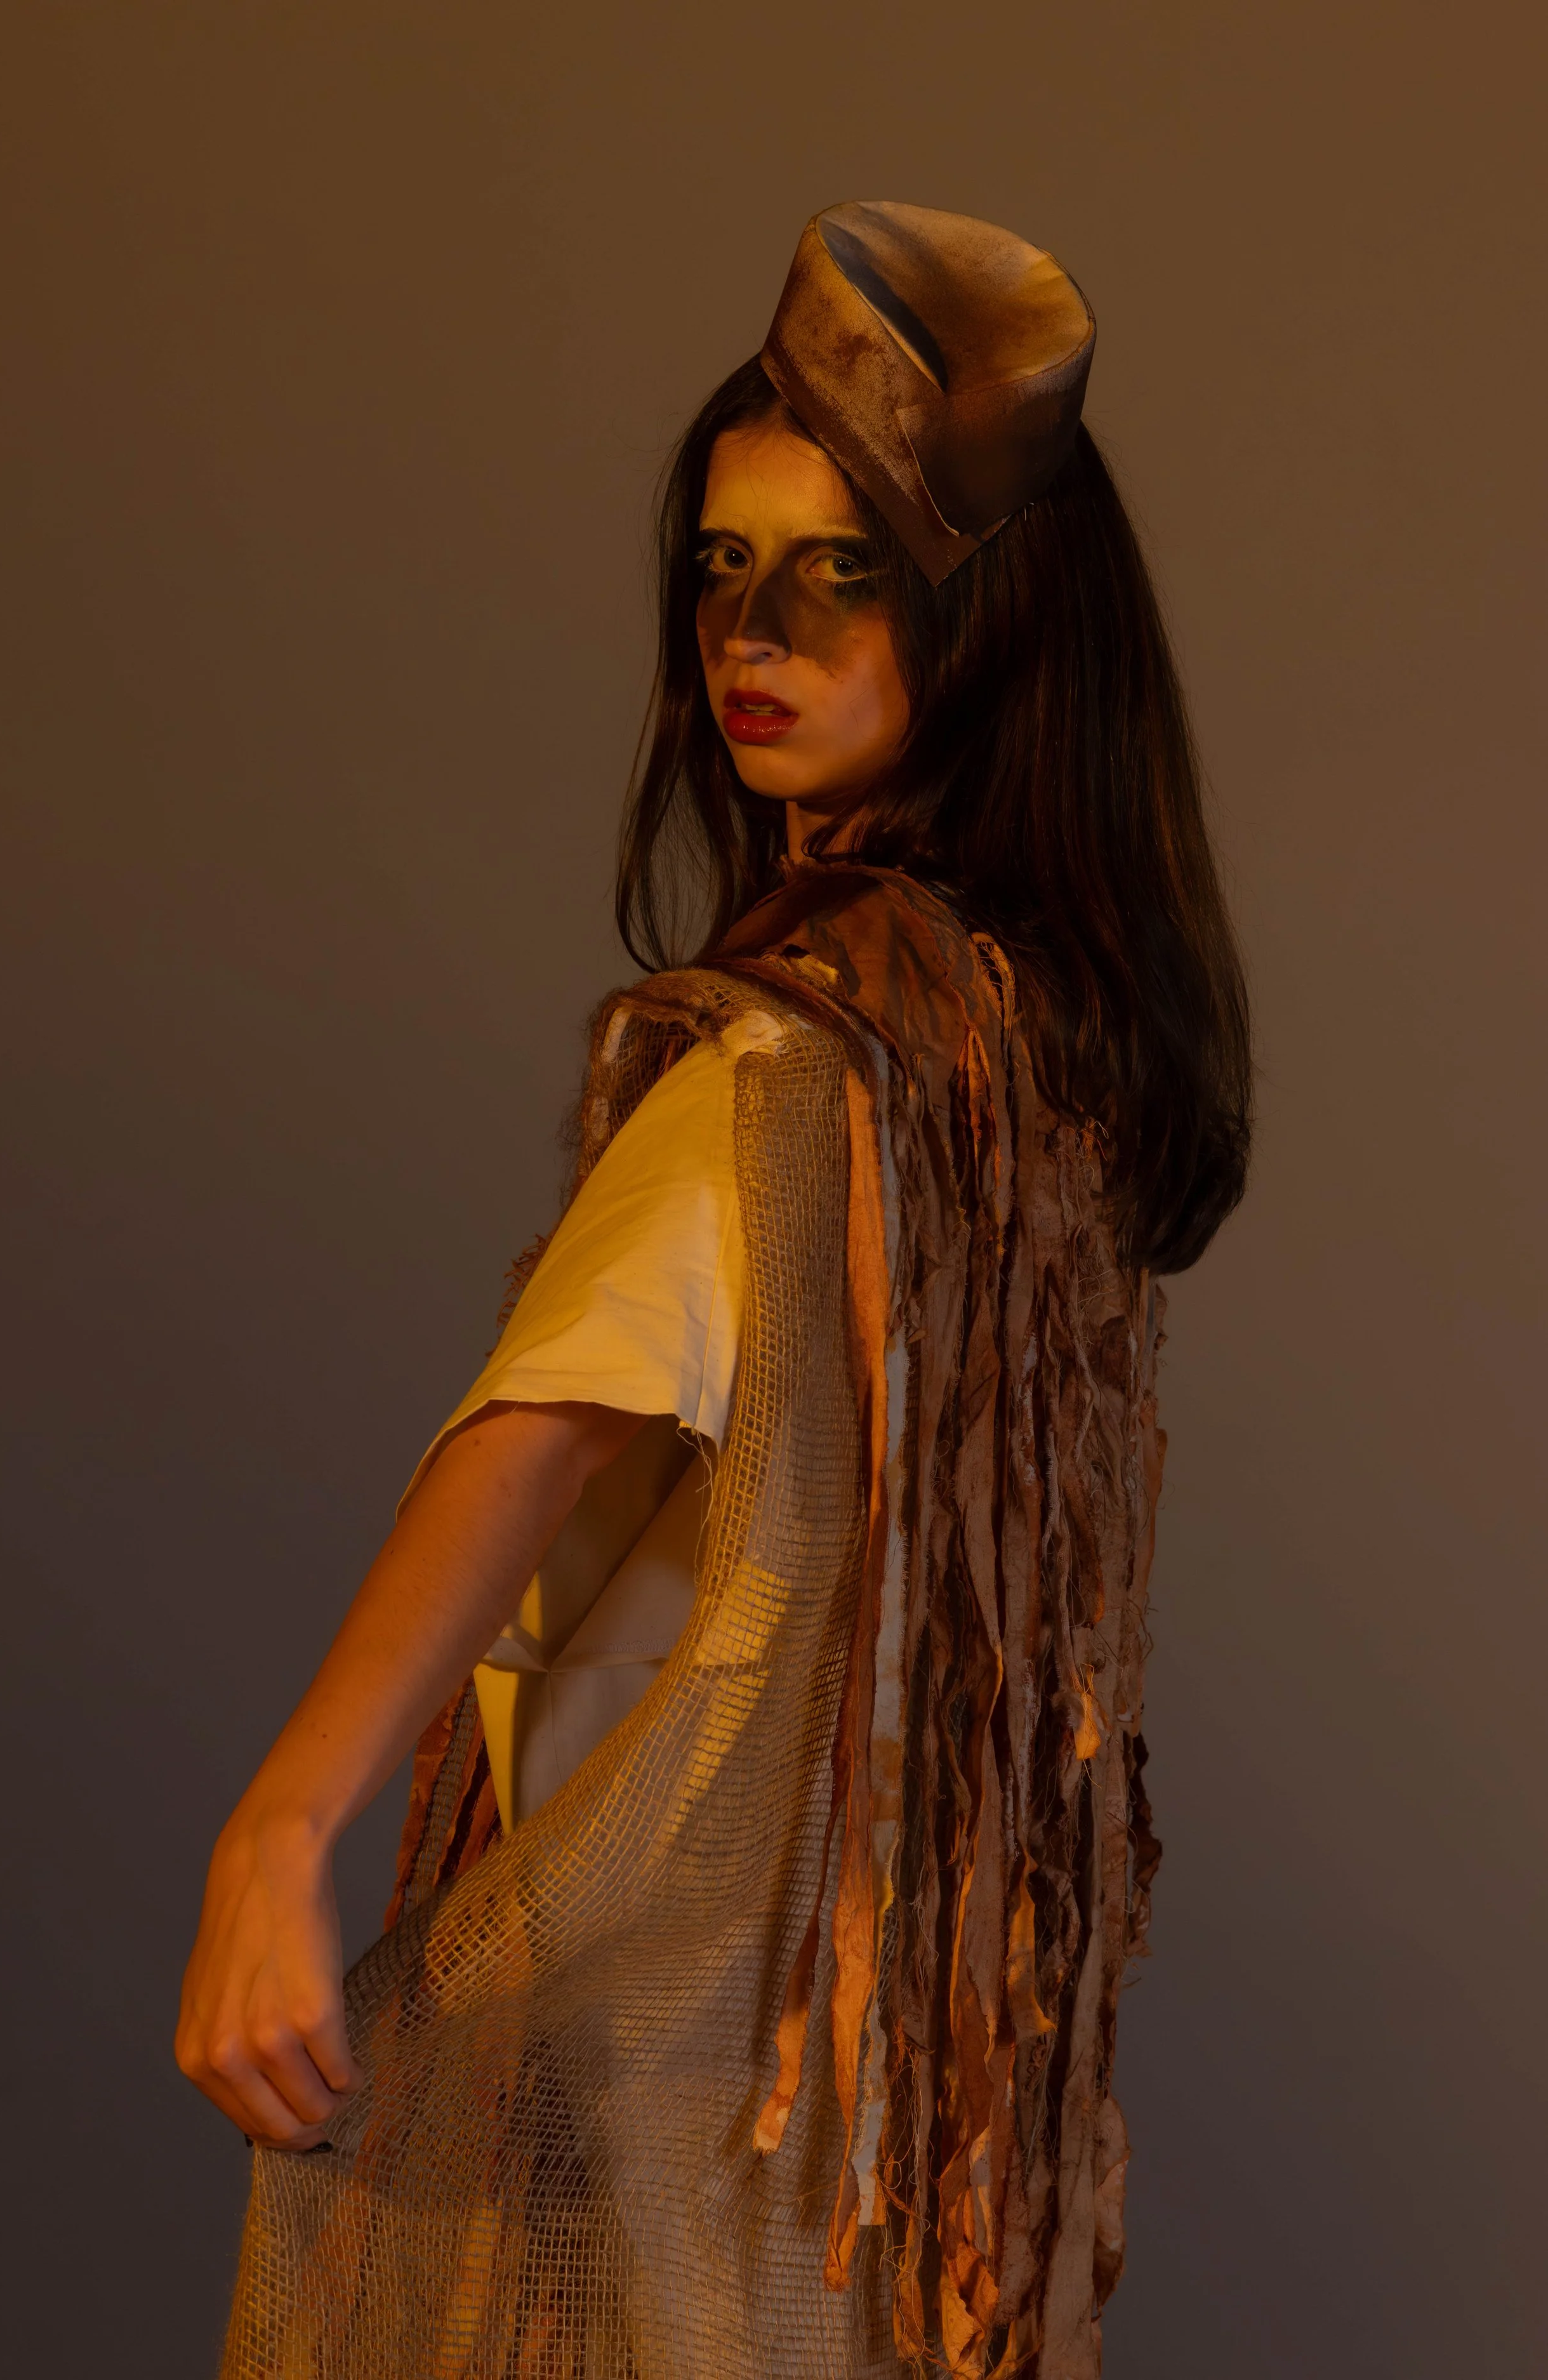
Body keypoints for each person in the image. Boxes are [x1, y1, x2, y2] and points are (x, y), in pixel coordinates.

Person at [178, 202, 1251, 2379]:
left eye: (839, 570)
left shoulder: (787, 1064)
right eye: (718, 565)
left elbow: (540, 1422)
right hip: (874, 2090)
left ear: (991, 622)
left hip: (703, 2050)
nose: (747, 632)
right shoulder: (1012, 1052)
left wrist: (280, 1822)